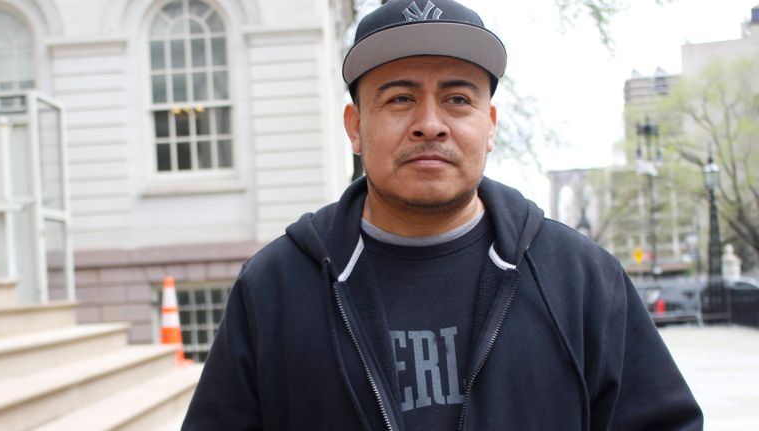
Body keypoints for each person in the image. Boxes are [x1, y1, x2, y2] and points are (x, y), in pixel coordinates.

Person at [182, 0, 703, 429]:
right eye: (400, 98)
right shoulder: (274, 287)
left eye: (457, 98)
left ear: (490, 124)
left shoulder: (581, 277)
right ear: (355, 127)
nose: (429, 124)